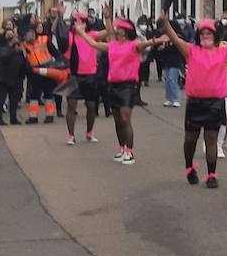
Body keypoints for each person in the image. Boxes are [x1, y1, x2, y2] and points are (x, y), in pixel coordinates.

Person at [159, 15, 227, 189]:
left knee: (211, 140)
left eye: (209, 33)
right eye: (202, 33)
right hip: (195, 103)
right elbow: (173, 37)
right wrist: (165, 23)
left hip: (214, 103)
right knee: (190, 140)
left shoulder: (224, 51)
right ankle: (189, 168)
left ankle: (211, 174)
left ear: (215, 35)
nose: (205, 35)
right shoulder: (191, 50)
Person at [84, 15, 164, 165]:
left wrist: (158, 40)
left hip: (128, 86)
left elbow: (145, 44)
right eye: (117, 28)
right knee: (118, 121)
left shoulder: (134, 45)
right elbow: (93, 44)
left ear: (127, 30)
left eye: (121, 28)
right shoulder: (112, 45)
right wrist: (82, 32)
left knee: (125, 118)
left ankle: (130, 151)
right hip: (113, 85)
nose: (118, 30)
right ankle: (121, 148)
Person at [61, 11, 104, 145]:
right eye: (76, 22)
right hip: (73, 74)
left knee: (91, 105)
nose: (78, 24)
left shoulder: (91, 36)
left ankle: (89, 132)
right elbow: (55, 31)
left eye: (81, 22)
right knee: (71, 105)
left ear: (86, 24)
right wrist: (59, 16)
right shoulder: (68, 36)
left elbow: (108, 32)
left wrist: (108, 18)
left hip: (90, 74)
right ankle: (70, 135)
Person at [0, 21, 23, 126]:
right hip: (3, 76)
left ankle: (13, 118)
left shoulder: (17, 46)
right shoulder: (1, 45)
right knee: (1, 98)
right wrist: (12, 49)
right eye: (8, 34)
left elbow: (22, 59)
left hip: (15, 76)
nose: (10, 36)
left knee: (14, 100)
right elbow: (2, 56)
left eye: (12, 34)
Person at [158, 19, 185, 108]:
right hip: (166, 61)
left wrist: (165, 48)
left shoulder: (178, 37)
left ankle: (175, 99)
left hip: (175, 61)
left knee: (172, 80)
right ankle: (169, 98)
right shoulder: (165, 37)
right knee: (167, 81)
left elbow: (176, 49)